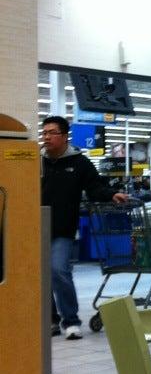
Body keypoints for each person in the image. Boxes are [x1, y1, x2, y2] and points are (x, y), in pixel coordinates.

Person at [41, 116, 129, 340]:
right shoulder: (36, 161)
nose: (46, 137)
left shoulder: (79, 162)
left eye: (52, 132)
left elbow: (94, 187)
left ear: (64, 136)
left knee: (58, 270)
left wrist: (111, 194)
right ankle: (51, 320)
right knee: (40, 274)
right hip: (35, 227)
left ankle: (71, 321)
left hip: (63, 228)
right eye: (44, 133)